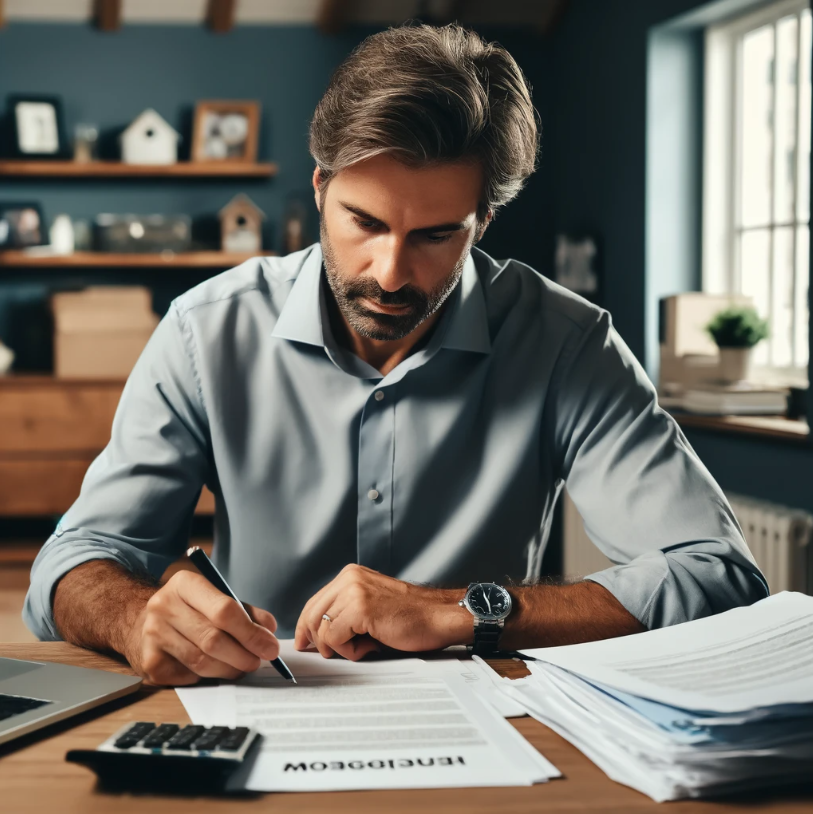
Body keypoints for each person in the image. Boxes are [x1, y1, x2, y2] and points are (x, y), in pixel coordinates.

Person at [24, 24, 767, 686]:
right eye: (363, 222)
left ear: (482, 220)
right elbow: (71, 563)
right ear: (320, 189)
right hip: (256, 706)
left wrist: (458, 612)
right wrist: (133, 616)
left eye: (435, 235)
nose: (387, 272)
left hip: (497, 730)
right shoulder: (204, 331)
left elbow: (719, 574)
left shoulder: (566, 342)